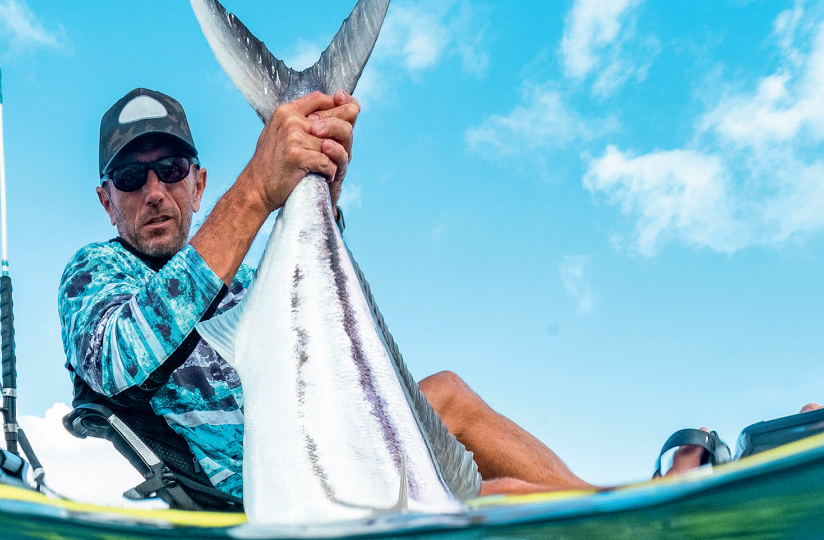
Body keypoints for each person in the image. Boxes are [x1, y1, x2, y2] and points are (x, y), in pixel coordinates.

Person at [59, 84, 593, 504]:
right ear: (107, 201)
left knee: (448, 393)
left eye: (171, 170)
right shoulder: (95, 272)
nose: (154, 192)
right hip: (274, 490)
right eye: (130, 178)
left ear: (197, 186)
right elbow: (116, 358)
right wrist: (257, 187)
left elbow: (336, 346)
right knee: (510, 501)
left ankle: (612, 512)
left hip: (339, 443)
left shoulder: (252, 283)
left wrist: (317, 195)